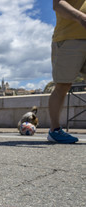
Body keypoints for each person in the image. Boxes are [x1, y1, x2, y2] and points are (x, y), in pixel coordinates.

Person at [47, 0, 82, 144]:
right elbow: (58, 4)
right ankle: (55, 131)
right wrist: (82, 17)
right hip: (68, 39)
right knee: (63, 85)